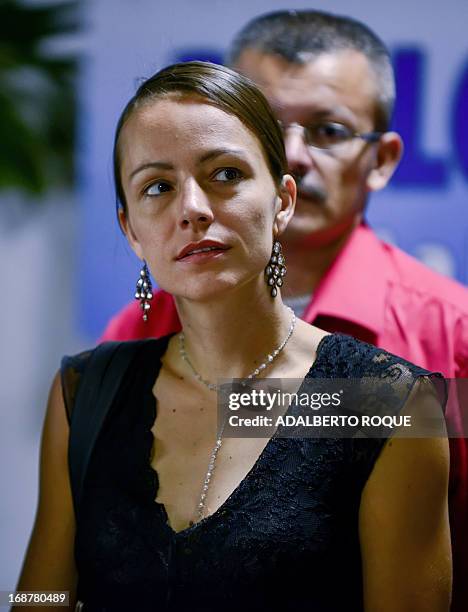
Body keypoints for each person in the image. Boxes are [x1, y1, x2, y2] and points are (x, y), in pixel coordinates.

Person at [15, 61, 450, 612]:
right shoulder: (86, 390)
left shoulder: (387, 401)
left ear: (282, 202)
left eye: (225, 174)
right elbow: (41, 595)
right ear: (131, 232)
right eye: (158, 186)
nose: (193, 210)